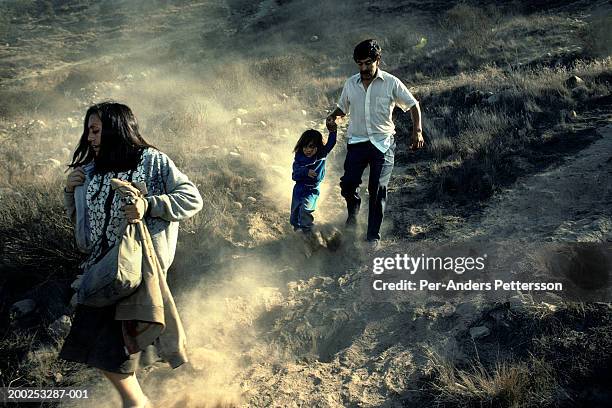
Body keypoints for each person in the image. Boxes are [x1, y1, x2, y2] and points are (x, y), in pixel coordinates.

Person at [60, 102, 203, 408]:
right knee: (95, 345)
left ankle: (138, 403)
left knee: (111, 348)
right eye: (88, 131)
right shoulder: (90, 173)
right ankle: (138, 402)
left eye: (95, 130)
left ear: (116, 129)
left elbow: (192, 199)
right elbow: (84, 236)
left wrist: (149, 205)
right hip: (103, 273)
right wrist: (71, 194)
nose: (89, 138)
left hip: (137, 272)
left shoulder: (152, 161)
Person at [326, 38, 424, 249]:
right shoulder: (351, 83)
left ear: (377, 60)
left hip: (383, 144)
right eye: (359, 64)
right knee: (348, 185)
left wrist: (417, 131)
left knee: (377, 188)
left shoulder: (391, 82)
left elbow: (413, 105)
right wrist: (332, 117)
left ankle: (373, 238)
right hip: (357, 142)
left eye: (367, 63)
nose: (363, 68)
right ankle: (353, 212)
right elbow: (342, 108)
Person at [290, 121, 337, 235]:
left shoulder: (321, 155)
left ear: (318, 147)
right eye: (305, 147)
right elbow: (294, 174)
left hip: (311, 190)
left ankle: (309, 235)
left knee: (305, 211)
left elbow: (331, 143)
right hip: (299, 189)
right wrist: (305, 171)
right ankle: (298, 235)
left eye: (312, 146)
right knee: (294, 217)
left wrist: (332, 130)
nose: (308, 150)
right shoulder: (299, 158)